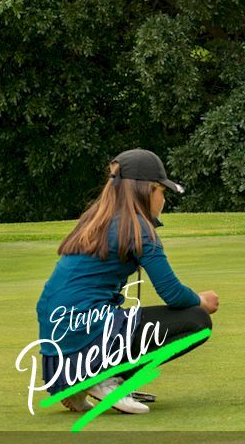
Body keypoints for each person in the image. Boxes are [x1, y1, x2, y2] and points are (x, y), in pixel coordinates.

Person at [35, 149, 219, 414]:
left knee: (122, 317)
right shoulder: (138, 228)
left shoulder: (95, 219)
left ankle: (77, 384)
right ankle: (106, 378)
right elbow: (172, 293)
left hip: (57, 331)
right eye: (161, 191)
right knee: (197, 321)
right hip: (83, 326)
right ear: (147, 190)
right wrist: (201, 301)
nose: (163, 199)